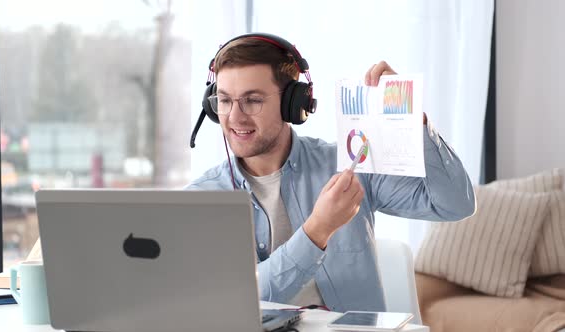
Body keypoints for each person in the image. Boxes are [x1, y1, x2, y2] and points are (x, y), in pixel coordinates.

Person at [186, 33, 475, 312]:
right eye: (224, 101)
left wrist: (414, 122)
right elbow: (239, 299)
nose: (234, 117)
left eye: (252, 100)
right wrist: (317, 230)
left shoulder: (348, 165)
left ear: (293, 104)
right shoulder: (203, 199)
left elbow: (454, 204)